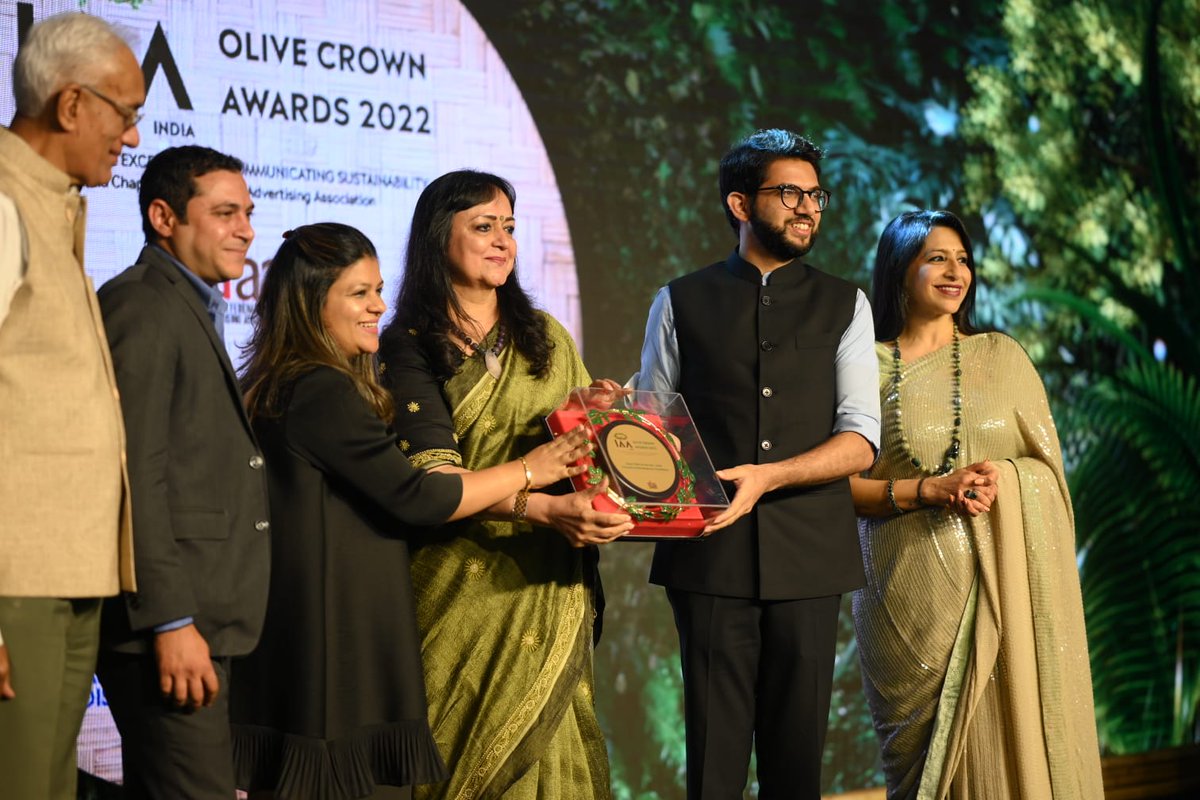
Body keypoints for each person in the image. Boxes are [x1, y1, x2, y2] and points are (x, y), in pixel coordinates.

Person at [230, 222, 591, 800]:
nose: (379, 306)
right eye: (360, 294)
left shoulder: (289, 381)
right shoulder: (320, 388)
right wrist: (532, 470)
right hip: (333, 649)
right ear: (310, 301)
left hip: (319, 639)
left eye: (378, 289)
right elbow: (420, 495)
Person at [631, 129, 881, 799]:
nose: (808, 208)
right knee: (712, 761)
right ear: (741, 205)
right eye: (789, 193)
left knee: (795, 763)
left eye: (815, 195)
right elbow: (650, 423)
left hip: (809, 557)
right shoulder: (678, 300)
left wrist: (769, 476)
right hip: (708, 554)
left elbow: (860, 439)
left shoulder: (846, 303)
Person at [376, 170, 628, 799]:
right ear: (439, 240)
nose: (502, 241)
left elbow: (580, 459)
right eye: (483, 226)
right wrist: (541, 502)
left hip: (549, 584)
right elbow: (432, 484)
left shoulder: (546, 337)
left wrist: (594, 414)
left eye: (509, 227)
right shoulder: (406, 348)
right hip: (457, 590)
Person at [849, 209, 1103, 799]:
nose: (955, 270)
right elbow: (839, 490)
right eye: (936, 257)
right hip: (901, 597)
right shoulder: (865, 366)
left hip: (997, 593)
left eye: (963, 259)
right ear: (898, 269)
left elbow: (1050, 481)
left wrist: (1008, 481)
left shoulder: (1002, 358)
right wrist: (928, 490)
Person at [93, 145, 271, 799]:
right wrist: (168, 621)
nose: (246, 229)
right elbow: (130, 476)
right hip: (169, 630)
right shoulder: (141, 306)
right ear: (164, 217)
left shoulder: (186, 303)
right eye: (225, 213)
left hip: (208, 621)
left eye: (248, 213)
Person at [0, 13, 142, 799]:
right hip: (14, 582)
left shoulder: (54, 206)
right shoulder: (5, 201)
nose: (130, 137)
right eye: (126, 114)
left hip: (70, 575)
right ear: (70, 104)